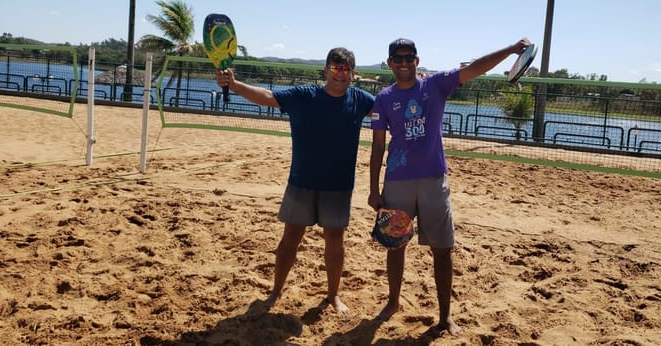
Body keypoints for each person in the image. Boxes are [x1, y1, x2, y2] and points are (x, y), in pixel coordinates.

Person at [368, 36, 531, 334]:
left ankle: (445, 317)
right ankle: (392, 303)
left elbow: (477, 68)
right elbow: (377, 147)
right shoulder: (383, 97)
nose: (404, 63)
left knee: (443, 250)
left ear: (417, 60)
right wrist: (373, 189)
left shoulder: (436, 85)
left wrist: (509, 50)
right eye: (398, 58)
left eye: (409, 57)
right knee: (396, 246)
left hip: (433, 180)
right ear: (390, 63)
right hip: (397, 182)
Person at [216, 47, 374, 313]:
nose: (340, 74)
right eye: (335, 68)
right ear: (325, 70)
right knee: (291, 238)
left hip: (338, 185)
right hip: (302, 181)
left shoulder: (361, 100)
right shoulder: (305, 95)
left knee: (335, 241)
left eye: (345, 69)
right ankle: (275, 291)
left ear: (353, 74)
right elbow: (266, 96)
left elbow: (395, 108)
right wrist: (233, 85)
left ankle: (333, 296)